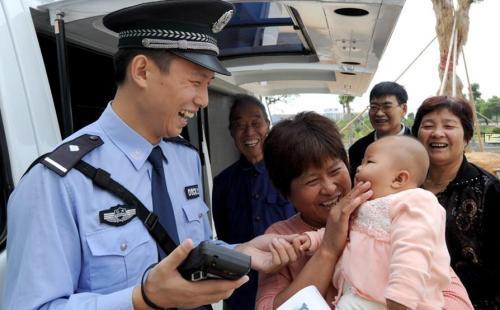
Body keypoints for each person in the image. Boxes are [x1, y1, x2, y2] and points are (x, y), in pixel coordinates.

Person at [2, 1, 298, 309]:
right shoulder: (57, 182)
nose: (203, 100)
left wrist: (241, 252)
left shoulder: (184, 159)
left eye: (208, 85)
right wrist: (142, 298)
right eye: (196, 82)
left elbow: (192, 249)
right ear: (142, 71)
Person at [256, 112, 473, 310]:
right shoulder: (282, 238)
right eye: (312, 181)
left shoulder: (391, 214)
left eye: (335, 171)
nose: (330, 188)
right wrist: (328, 249)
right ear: (287, 194)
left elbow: (455, 299)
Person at [295, 135, 450, 309]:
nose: (359, 168)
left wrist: (402, 296)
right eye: (361, 162)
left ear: (398, 179)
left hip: (394, 301)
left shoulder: (416, 201)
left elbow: (413, 249)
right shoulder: (363, 206)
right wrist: (312, 240)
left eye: (369, 162)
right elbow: (341, 232)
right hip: (361, 298)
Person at [412, 95, 500, 309]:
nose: (437, 133)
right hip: (408, 299)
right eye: (428, 125)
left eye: (449, 125)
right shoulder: (404, 183)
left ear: (466, 137)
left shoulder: (489, 189)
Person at [212, 94, 296, 309]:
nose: (249, 132)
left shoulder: (290, 172)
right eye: (239, 125)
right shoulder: (222, 183)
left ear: (267, 125)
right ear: (231, 132)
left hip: (290, 285)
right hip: (242, 291)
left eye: (255, 123)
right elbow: (224, 238)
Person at [348, 81, 411, 180]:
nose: (379, 113)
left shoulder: (419, 143)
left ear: (404, 109)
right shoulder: (357, 149)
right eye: (374, 107)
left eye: (387, 106)